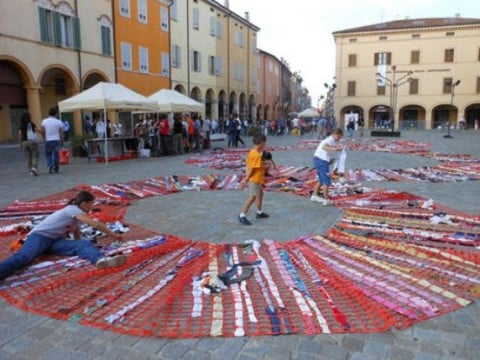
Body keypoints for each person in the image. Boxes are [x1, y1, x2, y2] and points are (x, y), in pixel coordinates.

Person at [0, 191, 127, 281]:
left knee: (83, 243)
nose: (92, 207)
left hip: (54, 241)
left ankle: (100, 260)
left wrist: (83, 246)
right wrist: (113, 234)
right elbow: (94, 224)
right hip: (39, 237)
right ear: (84, 203)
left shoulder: (77, 216)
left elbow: (77, 234)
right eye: (91, 204)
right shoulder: (72, 209)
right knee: (24, 257)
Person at [238, 133, 269, 225]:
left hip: (257, 179)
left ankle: (259, 212)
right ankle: (242, 215)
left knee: (260, 194)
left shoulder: (253, 152)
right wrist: (246, 179)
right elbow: (252, 169)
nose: (265, 145)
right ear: (261, 143)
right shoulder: (256, 155)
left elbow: (249, 165)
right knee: (253, 196)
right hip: (254, 179)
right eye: (264, 143)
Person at [311, 128, 344, 206]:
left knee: (321, 179)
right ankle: (326, 199)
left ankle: (314, 195)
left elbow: (325, 151)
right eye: (339, 137)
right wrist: (335, 149)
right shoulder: (330, 139)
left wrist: (330, 160)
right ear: (336, 134)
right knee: (326, 180)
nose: (339, 139)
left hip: (318, 159)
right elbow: (324, 147)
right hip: (321, 161)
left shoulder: (330, 140)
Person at [40, 107, 64, 174]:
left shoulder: (44, 121)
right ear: (56, 114)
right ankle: (56, 168)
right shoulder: (59, 122)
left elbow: (42, 131)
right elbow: (61, 133)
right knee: (56, 155)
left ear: (49, 113)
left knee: (48, 154)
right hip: (56, 140)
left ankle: (50, 165)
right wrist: (62, 141)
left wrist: (44, 138)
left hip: (48, 140)